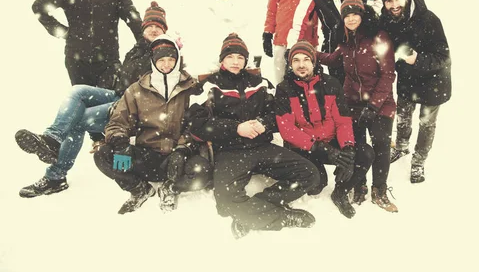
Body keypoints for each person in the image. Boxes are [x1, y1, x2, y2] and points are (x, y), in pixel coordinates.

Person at [16, 3, 171, 198]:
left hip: (135, 107)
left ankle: (56, 176)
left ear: (165, 30)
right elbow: (128, 78)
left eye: (159, 26)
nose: (154, 29)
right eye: (150, 25)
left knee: (78, 122)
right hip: (120, 95)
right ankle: (52, 139)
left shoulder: (165, 52)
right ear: (143, 28)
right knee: (78, 91)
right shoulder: (138, 49)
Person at [187, 33, 319, 238]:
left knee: (310, 174)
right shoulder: (208, 86)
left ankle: (255, 209)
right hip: (231, 151)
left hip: (262, 148)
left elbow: (279, 114)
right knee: (225, 202)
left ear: (246, 60)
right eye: (230, 57)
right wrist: (235, 128)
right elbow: (196, 124)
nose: (235, 61)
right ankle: (280, 217)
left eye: (240, 57)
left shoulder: (260, 83)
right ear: (222, 59)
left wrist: (264, 123)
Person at [94, 36, 210, 214]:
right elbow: (118, 121)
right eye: (161, 60)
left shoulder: (190, 88)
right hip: (145, 157)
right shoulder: (136, 90)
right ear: (153, 62)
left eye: (171, 59)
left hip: (177, 159)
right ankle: (139, 188)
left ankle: (171, 188)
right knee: (103, 155)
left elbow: (197, 122)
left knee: (202, 172)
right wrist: (120, 143)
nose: (166, 65)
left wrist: (182, 148)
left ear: (178, 60)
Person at [275, 40, 374, 219]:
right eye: (296, 60)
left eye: (306, 59)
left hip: (330, 141)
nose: (301, 65)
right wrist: (318, 147)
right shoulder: (284, 89)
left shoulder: (331, 84)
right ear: (290, 64)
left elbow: (342, 121)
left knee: (364, 154)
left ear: (314, 61)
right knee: (316, 186)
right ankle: (316, 172)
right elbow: (287, 130)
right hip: (304, 147)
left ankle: (340, 192)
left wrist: (347, 149)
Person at [318, 0, 397, 213]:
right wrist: (306, 53)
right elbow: (332, 59)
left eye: (355, 14)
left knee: (381, 144)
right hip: (352, 103)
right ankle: (359, 185)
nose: (351, 19)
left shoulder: (379, 37)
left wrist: (373, 106)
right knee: (358, 146)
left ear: (363, 15)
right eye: (346, 15)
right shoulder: (345, 42)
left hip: (380, 103)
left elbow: (388, 75)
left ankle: (379, 190)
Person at [32, 0, 142, 89]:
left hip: (108, 62)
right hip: (77, 61)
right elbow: (39, 6)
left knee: (108, 103)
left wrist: (145, 42)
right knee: (83, 101)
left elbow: (133, 19)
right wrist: (62, 31)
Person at [378, 0, 452, 183]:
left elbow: (443, 57)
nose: (393, 5)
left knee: (426, 123)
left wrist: (417, 59)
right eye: (388, 1)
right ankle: (401, 147)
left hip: (434, 80)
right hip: (407, 79)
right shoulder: (387, 19)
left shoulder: (429, 19)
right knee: (402, 117)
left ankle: (418, 162)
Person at [286, 0, 381, 85]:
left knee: (369, 87)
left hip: (364, 44)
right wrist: (291, 48)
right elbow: (299, 22)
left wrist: (372, 13)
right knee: (340, 91)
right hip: (335, 48)